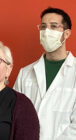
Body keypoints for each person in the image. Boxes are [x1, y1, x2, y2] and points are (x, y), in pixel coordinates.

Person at [13, 7, 76, 140]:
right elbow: (15, 114)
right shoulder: (25, 73)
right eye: (43, 27)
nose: (47, 32)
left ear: (67, 33)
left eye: (53, 26)